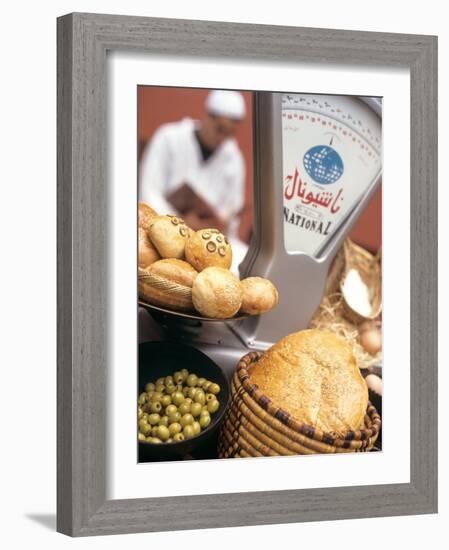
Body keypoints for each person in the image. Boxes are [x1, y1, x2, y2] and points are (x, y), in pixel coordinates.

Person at [138, 90, 248, 270]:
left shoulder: (234, 158)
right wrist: (182, 222)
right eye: (219, 129)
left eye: (229, 134)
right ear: (208, 117)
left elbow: (231, 211)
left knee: (244, 260)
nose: (222, 138)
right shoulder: (169, 137)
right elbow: (148, 191)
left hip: (206, 242)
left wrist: (209, 225)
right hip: (163, 229)